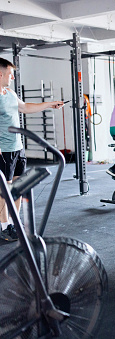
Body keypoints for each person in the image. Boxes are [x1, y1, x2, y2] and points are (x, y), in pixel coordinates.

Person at [0, 57, 64, 242]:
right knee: (4, 190)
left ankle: (14, 223)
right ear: (1, 73)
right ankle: (4, 227)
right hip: (3, 150)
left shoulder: (10, 93)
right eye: (10, 74)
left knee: (19, 186)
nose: (12, 77)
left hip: (18, 148)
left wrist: (50, 104)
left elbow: (25, 107)